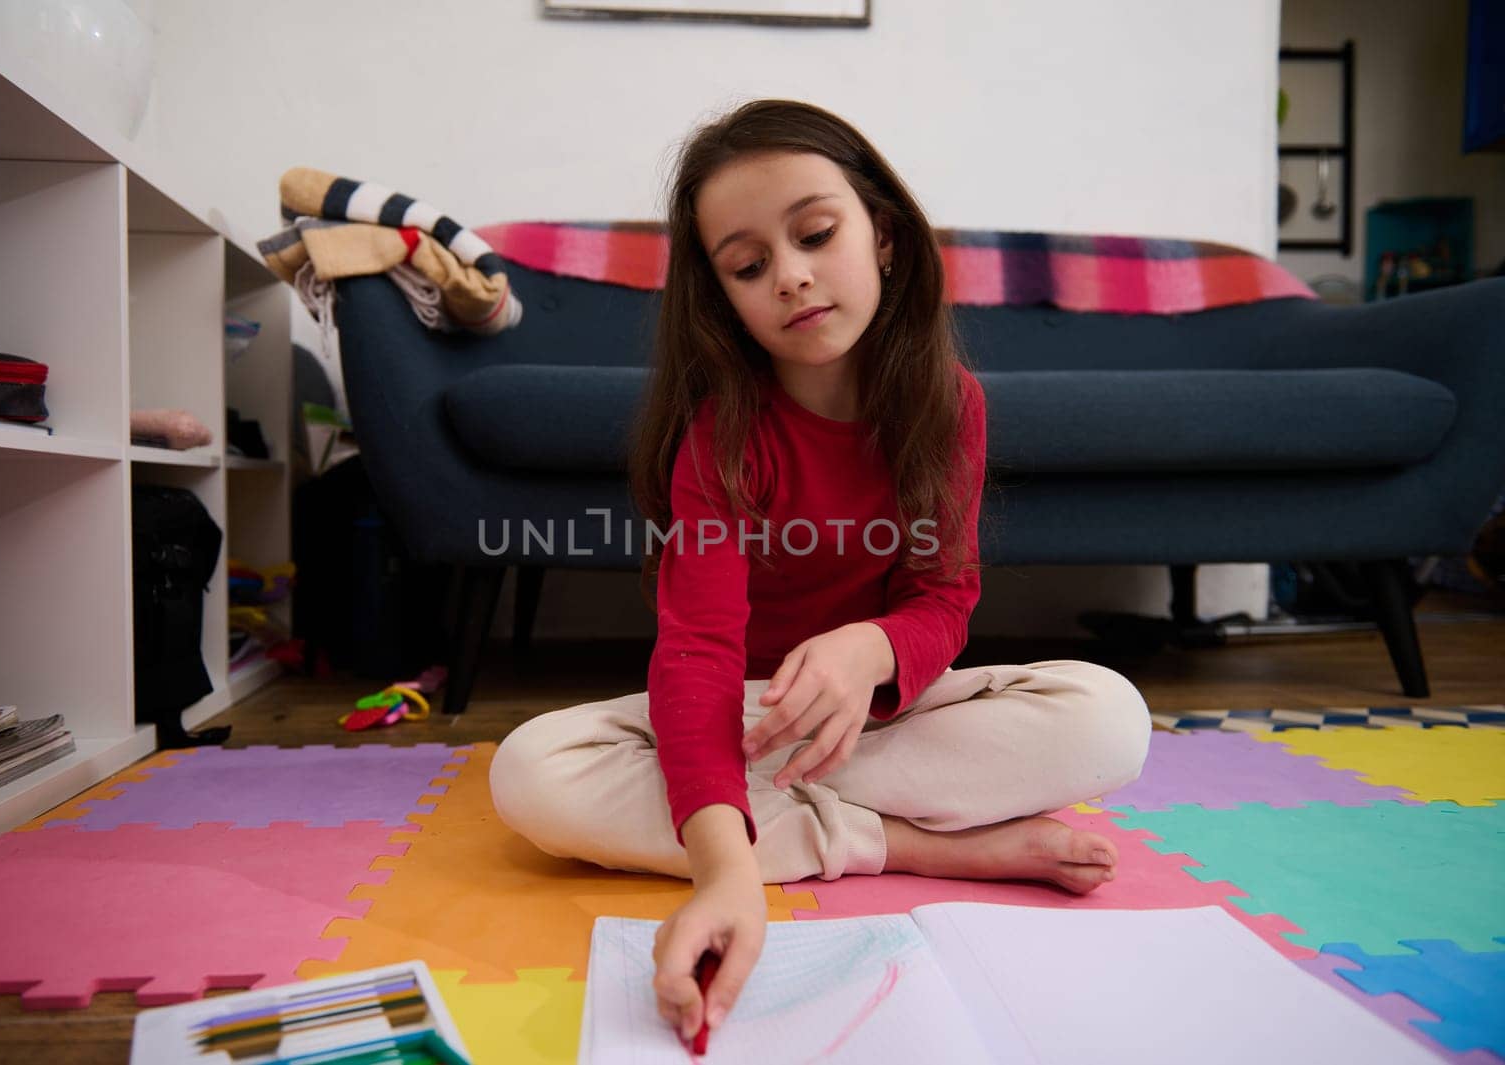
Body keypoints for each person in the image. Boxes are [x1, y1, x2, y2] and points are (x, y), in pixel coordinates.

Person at [489, 98, 1150, 1046]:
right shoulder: (721, 433)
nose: (792, 277)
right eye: (750, 267)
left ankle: (787, 824)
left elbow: (942, 601)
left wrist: (869, 650)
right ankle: (923, 847)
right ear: (724, 298)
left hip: (881, 709)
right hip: (743, 718)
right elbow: (698, 651)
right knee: (529, 774)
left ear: (881, 235)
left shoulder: (947, 404)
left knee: (1111, 717)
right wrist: (724, 874)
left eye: (815, 234)